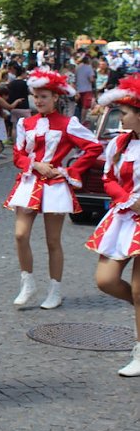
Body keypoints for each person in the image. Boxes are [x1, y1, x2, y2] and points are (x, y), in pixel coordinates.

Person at [5, 70, 102, 309]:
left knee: (53, 241)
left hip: (55, 185)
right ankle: (27, 282)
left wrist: (67, 170)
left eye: (44, 96)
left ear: (55, 97)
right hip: (30, 182)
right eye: (35, 96)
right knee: (20, 234)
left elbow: (93, 147)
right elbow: (18, 155)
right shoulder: (25, 123)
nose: (38, 100)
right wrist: (34, 164)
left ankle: (55, 290)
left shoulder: (69, 124)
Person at [87, 75, 140, 376]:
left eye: (126, 112)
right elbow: (108, 177)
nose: (121, 117)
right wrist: (125, 198)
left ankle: (139, 350)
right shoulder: (119, 143)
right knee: (105, 280)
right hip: (123, 218)